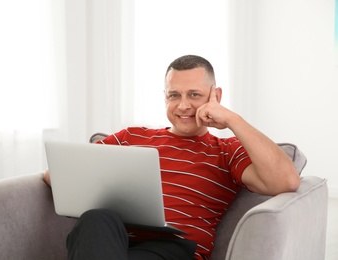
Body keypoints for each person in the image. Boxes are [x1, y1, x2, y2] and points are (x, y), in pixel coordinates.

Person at [43, 55, 300, 260]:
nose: (183, 105)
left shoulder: (227, 150)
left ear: (216, 96)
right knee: (96, 219)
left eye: (194, 95)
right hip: (116, 242)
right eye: (174, 95)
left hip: (174, 249)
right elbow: (57, 174)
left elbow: (286, 181)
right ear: (164, 97)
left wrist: (231, 119)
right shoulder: (130, 137)